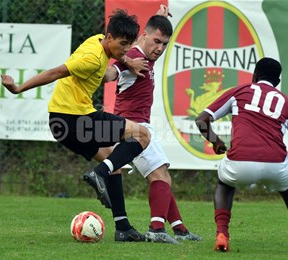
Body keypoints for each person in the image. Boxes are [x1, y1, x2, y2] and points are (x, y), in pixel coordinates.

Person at [1, 9, 151, 233]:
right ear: (109, 38)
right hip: (75, 120)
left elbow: (113, 65)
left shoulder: (98, 41)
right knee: (142, 135)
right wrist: (18, 88)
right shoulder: (91, 59)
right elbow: (54, 73)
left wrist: (128, 61)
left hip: (61, 125)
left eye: (129, 44)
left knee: (113, 163)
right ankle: (98, 173)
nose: (127, 49)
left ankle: (123, 228)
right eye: (123, 43)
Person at [195, 57, 288, 254]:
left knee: (225, 184)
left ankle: (222, 234)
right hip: (275, 164)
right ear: (278, 82)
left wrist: (216, 141)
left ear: (254, 76)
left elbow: (201, 120)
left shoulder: (240, 91)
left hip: (240, 162)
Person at [102, 6, 202, 244]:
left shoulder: (143, 51)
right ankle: (157, 229)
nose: (160, 48)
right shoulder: (134, 58)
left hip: (136, 126)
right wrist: (95, 69)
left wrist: (161, 18)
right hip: (135, 128)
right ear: (144, 36)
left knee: (162, 176)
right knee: (161, 176)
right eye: (157, 41)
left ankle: (179, 228)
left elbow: (138, 45)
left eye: (165, 44)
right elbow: (111, 74)